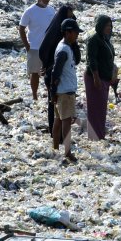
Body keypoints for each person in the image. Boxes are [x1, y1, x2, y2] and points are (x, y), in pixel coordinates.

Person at [39, 4, 77, 144]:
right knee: (60, 114)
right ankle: (62, 144)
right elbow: (43, 49)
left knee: (57, 112)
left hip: (58, 74)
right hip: (56, 76)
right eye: (70, 12)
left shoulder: (63, 34)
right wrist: (47, 65)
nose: (71, 15)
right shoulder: (58, 33)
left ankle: (57, 142)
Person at [49, 18, 82, 163]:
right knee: (66, 122)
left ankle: (55, 148)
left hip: (61, 91)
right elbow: (56, 73)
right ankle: (67, 152)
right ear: (68, 32)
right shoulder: (63, 50)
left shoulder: (64, 46)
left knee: (58, 120)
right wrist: (53, 90)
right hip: (65, 92)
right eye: (75, 33)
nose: (77, 35)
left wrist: (53, 92)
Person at [18, 0, 56, 101]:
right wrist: (27, 45)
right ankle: (34, 95)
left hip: (49, 47)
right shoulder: (30, 11)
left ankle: (50, 94)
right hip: (34, 47)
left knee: (50, 72)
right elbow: (21, 28)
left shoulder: (51, 10)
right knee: (35, 73)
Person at [84, 14, 115, 141]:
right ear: (100, 25)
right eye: (107, 25)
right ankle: (94, 136)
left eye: (110, 25)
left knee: (101, 108)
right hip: (95, 78)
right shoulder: (94, 39)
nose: (109, 28)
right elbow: (92, 60)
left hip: (104, 78)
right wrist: (96, 78)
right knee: (95, 108)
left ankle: (100, 134)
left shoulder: (104, 38)